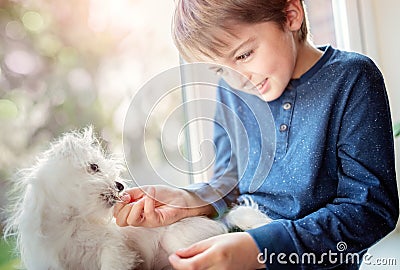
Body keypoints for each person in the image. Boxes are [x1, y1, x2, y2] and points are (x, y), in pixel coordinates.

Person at [114, 0, 399, 269]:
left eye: (244, 55)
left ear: (290, 15)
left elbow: (370, 211)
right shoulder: (231, 92)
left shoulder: (352, 78)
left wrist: (260, 248)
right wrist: (188, 202)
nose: (238, 79)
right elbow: (229, 184)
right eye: (220, 69)